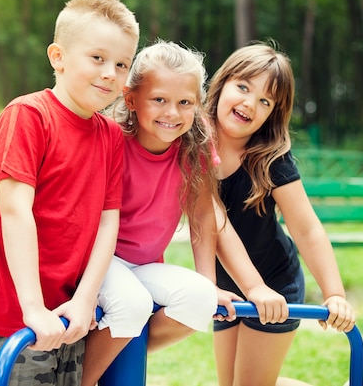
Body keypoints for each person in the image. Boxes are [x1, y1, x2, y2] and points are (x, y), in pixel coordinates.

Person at [0, 0, 140, 386]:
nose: (110, 73)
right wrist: (32, 307)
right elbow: (14, 211)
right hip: (14, 310)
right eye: (97, 58)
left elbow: (106, 223)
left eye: (121, 64)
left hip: (69, 309)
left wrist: (85, 299)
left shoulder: (111, 137)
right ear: (58, 57)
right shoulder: (29, 116)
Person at [81, 39, 244, 386]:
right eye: (159, 100)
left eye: (184, 102)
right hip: (101, 258)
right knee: (131, 303)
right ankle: (82, 380)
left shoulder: (196, 145)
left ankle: (117, 344)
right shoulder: (112, 140)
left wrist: (209, 283)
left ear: (197, 105)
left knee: (199, 300)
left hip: (146, 264)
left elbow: (202, 216)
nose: (172, 112)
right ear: (131, 99)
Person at [206, 42, 358, 386]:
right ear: (222, 83)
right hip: (228, 286)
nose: (249, 103)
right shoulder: (193, 142)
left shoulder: (269, 158)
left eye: (265, 101)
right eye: (243, 87)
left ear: (273, 113)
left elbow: (306, 229)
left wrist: (333, 293)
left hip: (274, 283)